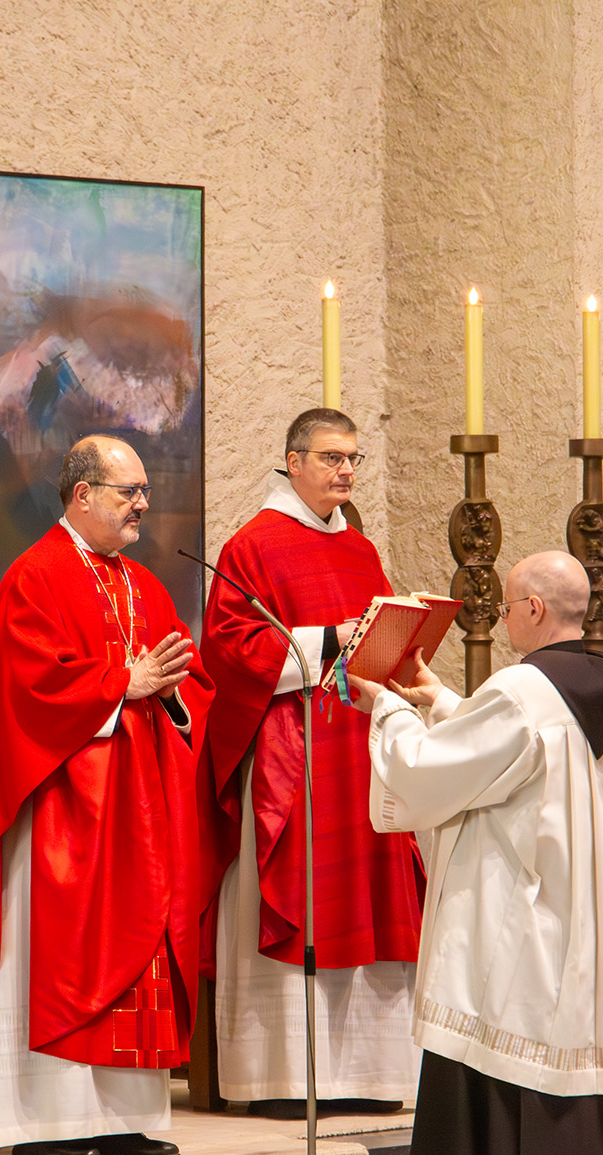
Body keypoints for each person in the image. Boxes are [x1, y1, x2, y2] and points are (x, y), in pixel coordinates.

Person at [0, 434, 214, 1155]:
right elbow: (26, 692)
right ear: (82, 495)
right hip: (62, 811)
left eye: (144, 491)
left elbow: (188, 681)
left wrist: (174, 694)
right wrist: (120, 685)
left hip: (138, 817)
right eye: (129, 492)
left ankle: (122, 1118)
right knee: (61, 962)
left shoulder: (144, 585)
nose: (143, 505)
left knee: (138, 958)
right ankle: (47, 1122)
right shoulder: (37, 577)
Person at [348, 550, 603, 1155]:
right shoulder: (598, 689)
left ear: (533, 609)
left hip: (514, 948)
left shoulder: (522, 691)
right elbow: (518, 767)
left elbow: (429, 772)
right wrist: (445, 701)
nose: (505, 617)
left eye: (509, 607)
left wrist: (387, 708)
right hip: (574, 943)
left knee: (490, 1133)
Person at [198, 407, 423, 1116]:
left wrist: (403, 635)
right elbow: (230, 652)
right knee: (305, 896)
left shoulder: (359, 548)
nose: (346, 471)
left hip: (359, 746)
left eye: (353, 459)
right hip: (295, 753)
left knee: (378, 896)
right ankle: (284, 1079)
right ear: (292, 461)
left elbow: (371, 645)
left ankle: (372, 1075)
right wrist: (329, 639)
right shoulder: (253, 547)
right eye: (331, 458)